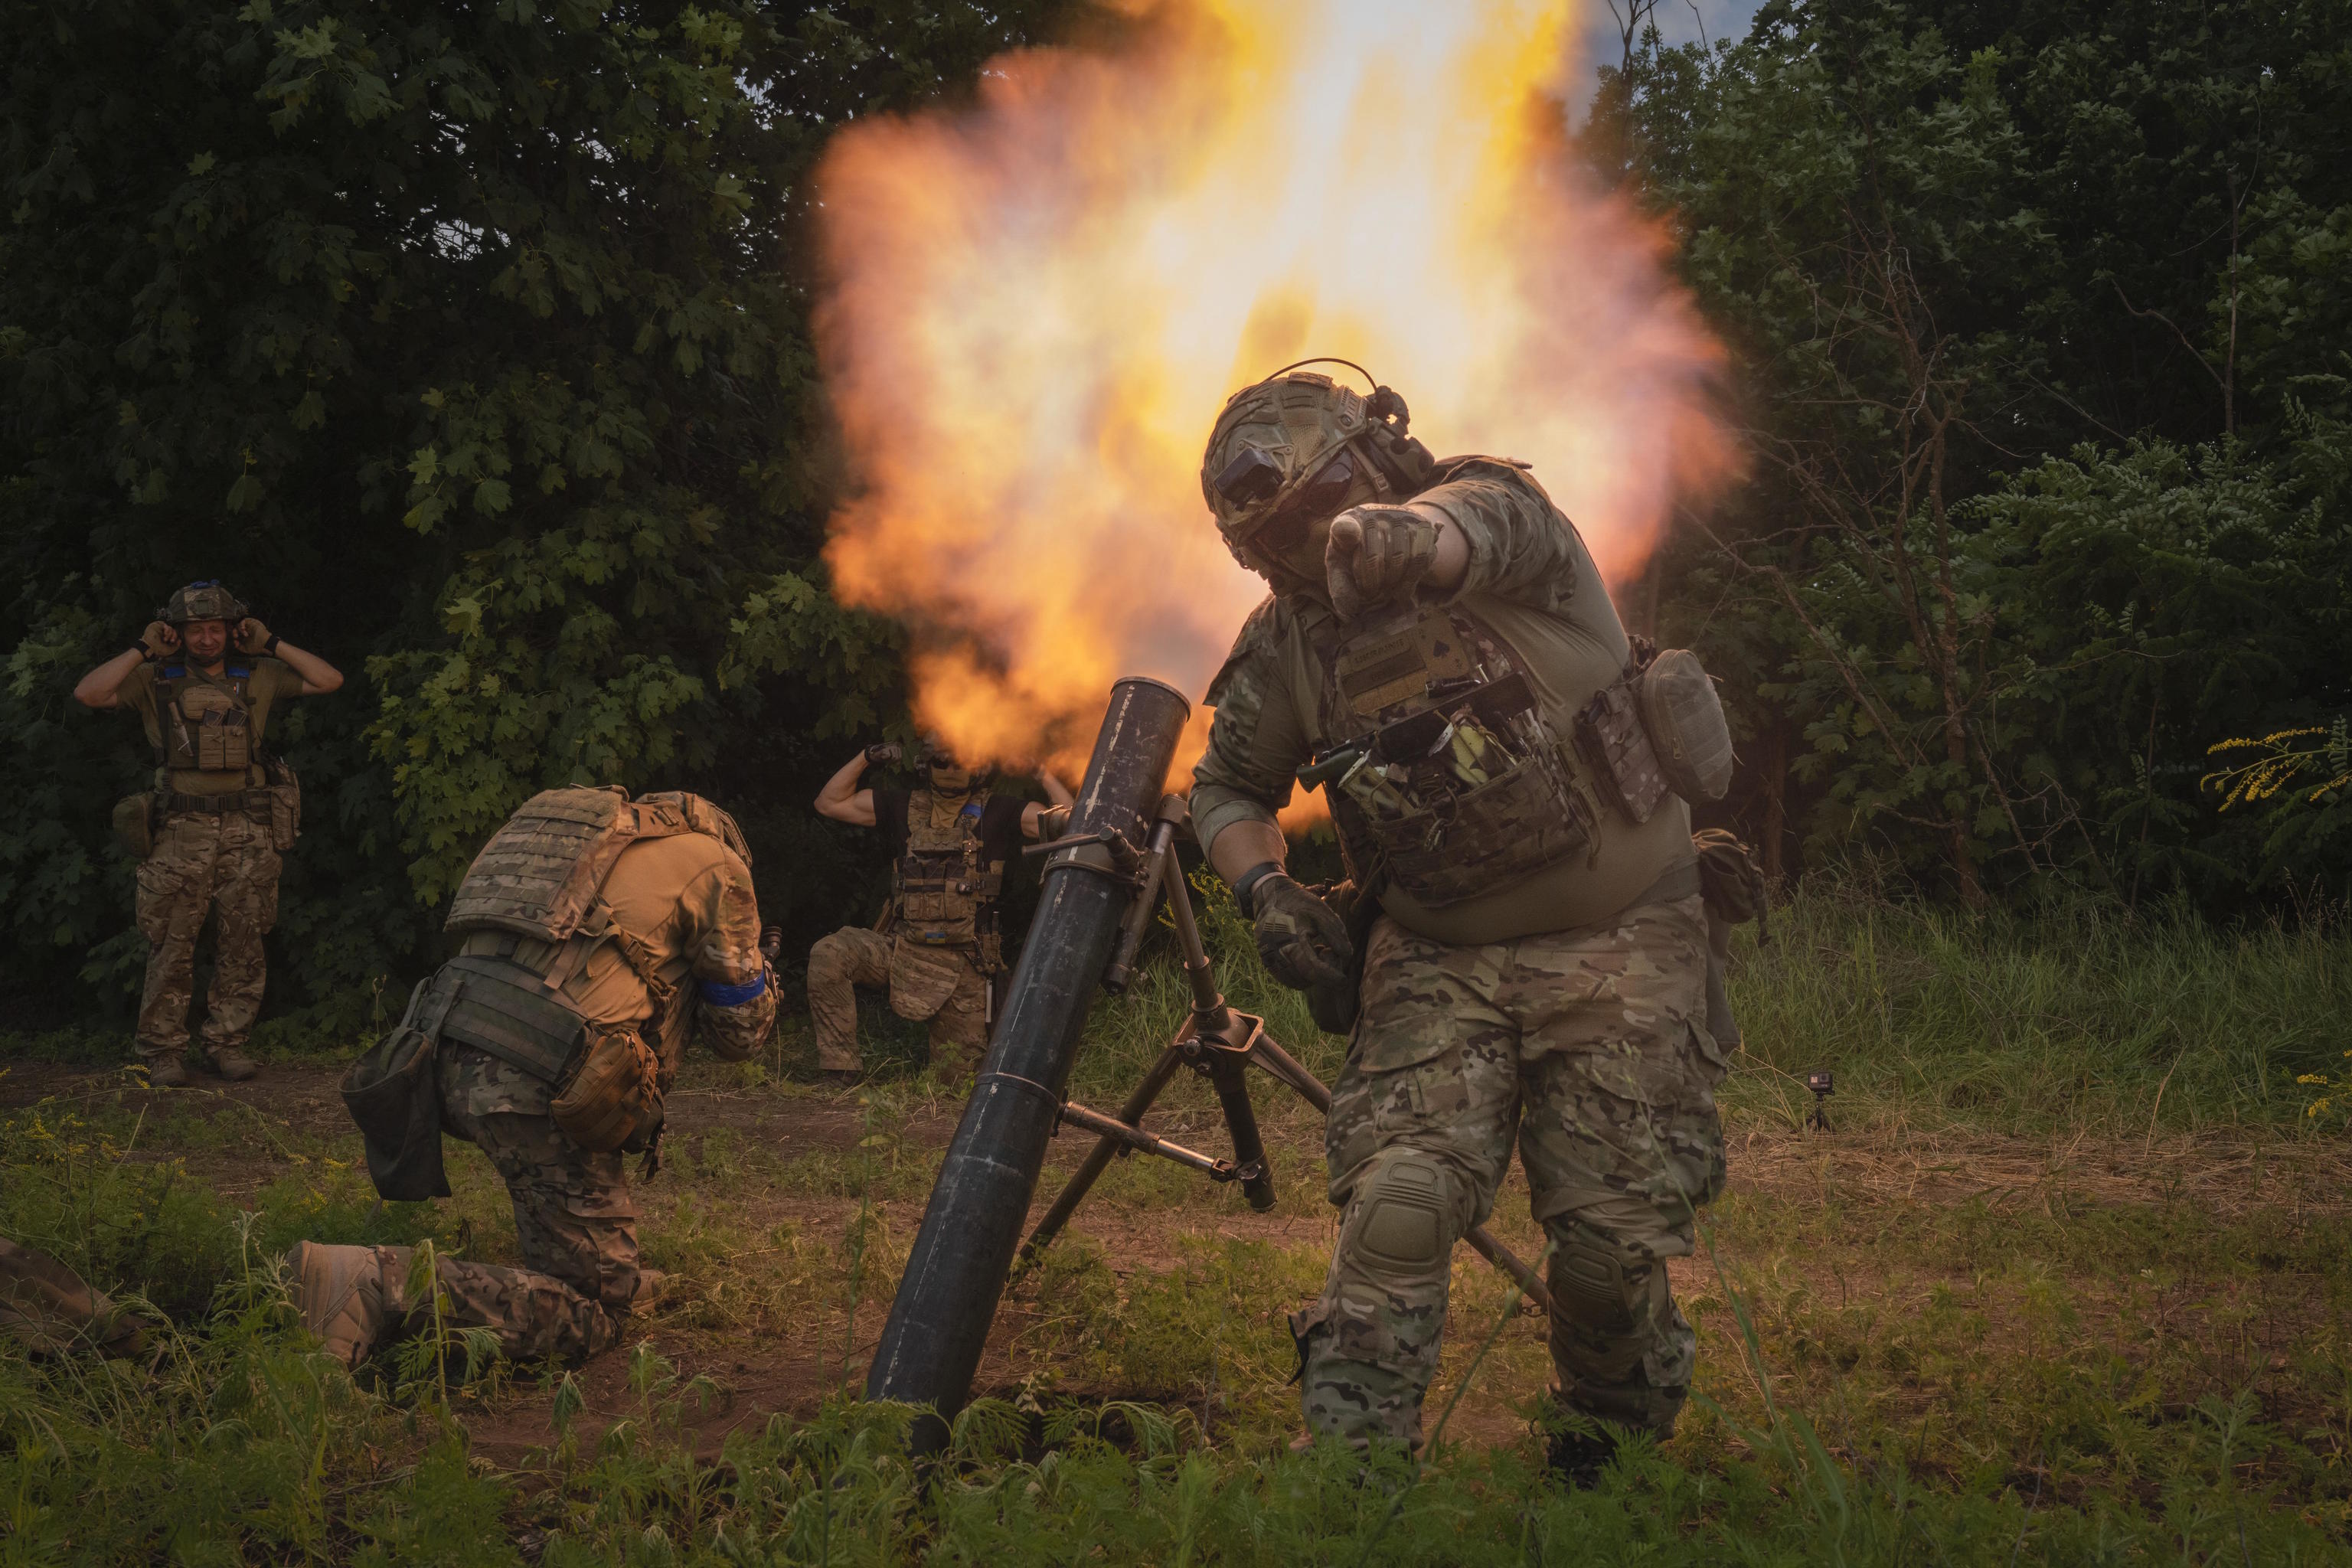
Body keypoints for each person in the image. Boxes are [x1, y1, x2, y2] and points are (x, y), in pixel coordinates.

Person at [1185, 362, 1728, 1481]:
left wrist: (1390, 538)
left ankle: (1604, 1465)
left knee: (1608, 1251)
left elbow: (1470, 523)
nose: (1318, 537)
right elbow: (1226, 788)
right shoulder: (1288, 646)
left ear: (1380, 453)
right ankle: (1350, 1479)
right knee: (1399, 1204)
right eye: (1286, 534)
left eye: (1332, 490)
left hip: (1623, 930)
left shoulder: (1501, 527)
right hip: (1437, 957)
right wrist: (1269, 893)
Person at [290, 786, 777, 1368]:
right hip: (540, 1074)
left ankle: (598, 1269)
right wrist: (763, 985)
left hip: (436, 1052)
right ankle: (374, 1284)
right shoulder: (720, 867)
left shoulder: (587, 836)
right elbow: (740, 1036)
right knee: (593, 1315)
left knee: (575, 1230)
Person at [71, 581, 343, 1086]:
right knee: (172, 942)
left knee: (244, 941)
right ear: (177, 633)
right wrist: (140, 650)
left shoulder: (258, 673)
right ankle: (164, 1052)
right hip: (180, 829)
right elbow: (90, 693)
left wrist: (271, 642)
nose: (205, 639)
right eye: (194, 630)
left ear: (231, 630)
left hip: (248, 827)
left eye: (215, 628)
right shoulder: (155, 678)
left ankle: (227, 1044)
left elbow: (330, 680)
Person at [806, 740, 1073, 1082]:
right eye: (942, 762)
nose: (951, 769)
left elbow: (1075, 823)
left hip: (967, 963)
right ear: (926, 766)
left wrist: (1039, 771)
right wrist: (866, 757)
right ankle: (839, 1070)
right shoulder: (901, 805)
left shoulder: (1001, 811)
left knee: (956, 1083)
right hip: (901, 950)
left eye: (961, 761)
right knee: (830, 953)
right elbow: (828, 803)